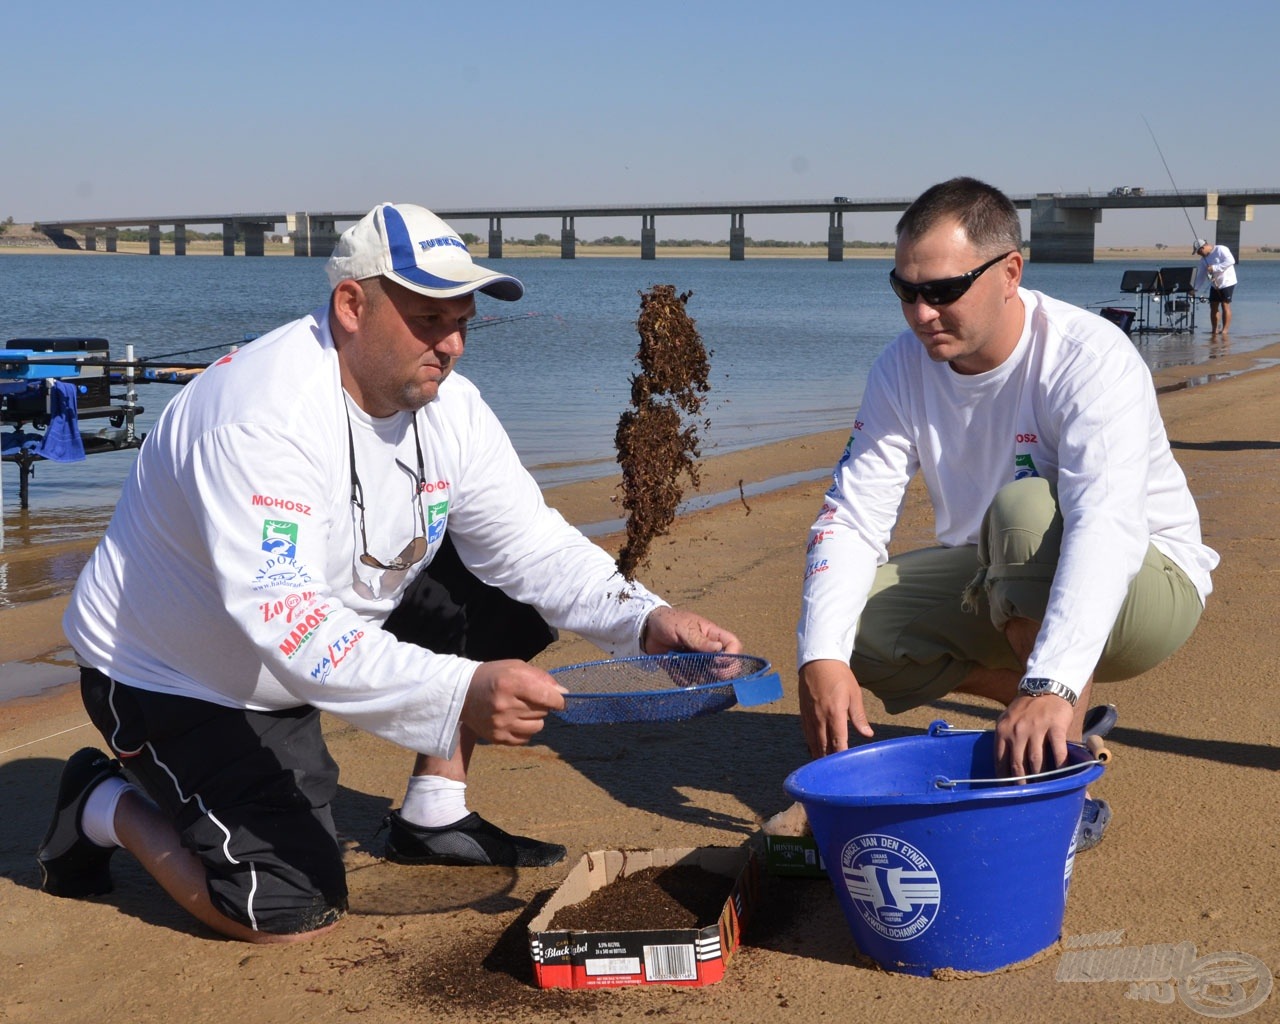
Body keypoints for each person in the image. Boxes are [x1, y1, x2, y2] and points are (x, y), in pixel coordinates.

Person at [38, 202, 741, 943]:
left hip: (317, 632)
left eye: (463, 320)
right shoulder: (260, 420)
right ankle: (99, 803)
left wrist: (646, 620)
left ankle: (433, 811)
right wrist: (461, 689)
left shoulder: (452, 408)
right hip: (176, 675)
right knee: (287, 909)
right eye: (430, 319)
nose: (455, 344)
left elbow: (532, 545)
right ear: (351, 305)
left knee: (508, 597)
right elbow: (292, 621)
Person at [797, 177, 1218, 851]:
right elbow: (850, 516)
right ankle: (1041, 706)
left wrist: (1052, 680)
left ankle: (1057, 764)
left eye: (942, 290)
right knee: (844, 622)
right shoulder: (900, 369)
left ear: (1010, 272)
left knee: (1023, 505)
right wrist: (818, 657)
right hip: (1004, 580)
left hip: (1149, 584)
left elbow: (1103, 525)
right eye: (904, 289)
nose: (921, 312)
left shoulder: (1087, 357)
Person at [1192, 239, 1237, 334]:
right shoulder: (1203, 260)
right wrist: (1195, 289)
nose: (1199, 254)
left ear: (1203, 247)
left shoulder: (1221, 249)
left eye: (1199, 251)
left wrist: (1214, 268)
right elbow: (1201, 275)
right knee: (1213, 305)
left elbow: (1231, 261)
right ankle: (1214, 330)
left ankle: (1225, 330)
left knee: (1225, 305)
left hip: (1227, 282)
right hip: (1215, 284)